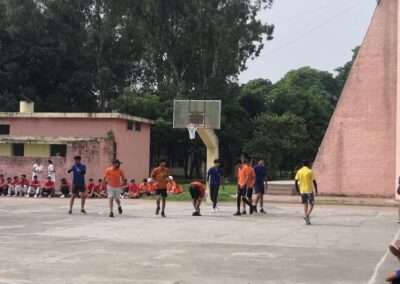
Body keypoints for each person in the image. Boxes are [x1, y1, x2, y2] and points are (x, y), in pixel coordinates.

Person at [295, 160, 318, 225]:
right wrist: (316, 190)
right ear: (308, 164)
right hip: (309, 190)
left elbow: (296, 181)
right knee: (312, 204)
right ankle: (307, 215)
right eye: (310, 164)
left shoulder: (299, 171)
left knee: (305, 204)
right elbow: (314, 181)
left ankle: (306, 218)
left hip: (302, 191)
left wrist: (297, 190)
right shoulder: (310, 171)